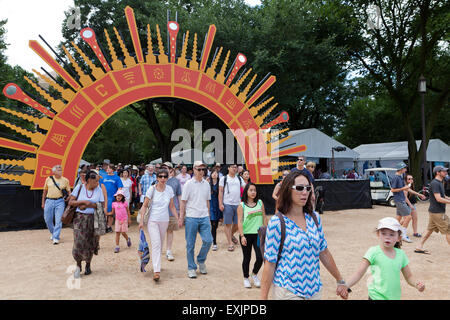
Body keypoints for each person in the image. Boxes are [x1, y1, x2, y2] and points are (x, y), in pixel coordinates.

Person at [260, 170, 348, 300]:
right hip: (288, 290)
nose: (305, 192)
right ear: (288, 190)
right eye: (300, 188)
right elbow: (270, 264)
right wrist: (263, 298)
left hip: (314, 291)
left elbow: (323, 252)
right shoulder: (277, 222)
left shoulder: (315, 218)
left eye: (307, 188)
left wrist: (340, 280)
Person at [346, 217, 425, 300]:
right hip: (376, 297)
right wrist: (346, 285)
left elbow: (409, 277)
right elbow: (358, 273)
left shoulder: (401, 254)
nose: (387, 237)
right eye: (384, 233)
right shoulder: (373, 252)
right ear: (378, 234)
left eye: (392, 234)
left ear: (399, 238)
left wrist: (417, 284)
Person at [139, 168, 178, 281]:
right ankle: (157, 271)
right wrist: (141, 220)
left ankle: (157, 264)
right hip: (153, 220)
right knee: (156, 244)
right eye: (160, 176)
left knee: (160, 244)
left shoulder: (169, 190)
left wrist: (178, 218)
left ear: (167, 178)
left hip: (164, 220)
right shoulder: (152, 189)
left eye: (165, 177)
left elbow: (172, 206)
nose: (162, 179)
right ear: (157, 178)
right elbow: (145, 205)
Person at [178, 160, 213, 279]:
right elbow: (183, 201)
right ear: (194, 169)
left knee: (208, 240)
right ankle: (191, 267)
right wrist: (181, 217)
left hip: (204, 216)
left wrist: (208, 216)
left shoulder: (207, 184)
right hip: (191, 216)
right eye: (199, 169)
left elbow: (207, 201)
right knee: (190, 244)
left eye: (203, 169)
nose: (201, 171)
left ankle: (201, 260)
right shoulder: (188, 184)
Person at [68, 170, 105, 279]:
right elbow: (71, 202)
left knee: (91, 242)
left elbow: (101, 204)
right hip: (80, 219)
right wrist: (83, 202)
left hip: (94, 219)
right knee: (79, 241)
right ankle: (78, 266)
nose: (97, 183)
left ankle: (88, 264)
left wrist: (89, 205)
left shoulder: (99, 190)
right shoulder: (79, 188)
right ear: (89, 180)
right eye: (95, 181)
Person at [237, 183, 267, 289]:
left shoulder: (260, 203)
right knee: (247, 257)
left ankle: (254, 274)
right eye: (251, 190)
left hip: (258, 234)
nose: (253, 192)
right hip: (246, 234)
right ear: (246, 192)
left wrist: (266, 231)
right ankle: (246, 278)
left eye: (254, 190)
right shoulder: (242, 205)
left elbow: (264, 217)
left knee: (260, 257)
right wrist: (242, 236)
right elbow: (239, 222)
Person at [415, 166, 450, 254]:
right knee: (449, 230)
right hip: (437, 212)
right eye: (444, 171)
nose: (446, 172)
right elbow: (438, 199)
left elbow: (443, 196)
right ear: (438, 172)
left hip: (434, 212)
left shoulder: (440, 182)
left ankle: (419, 247)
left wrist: (449, 199)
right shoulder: (435, 183)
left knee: (429, 230)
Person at [219, 163, 246, 252]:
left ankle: (230, 235)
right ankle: (230, 243)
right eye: (233, 167)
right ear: (228, 168)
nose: (235, 169)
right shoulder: (224, 178)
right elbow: (220, 192)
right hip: (227, 204)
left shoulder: (239, 178)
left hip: (238, 204)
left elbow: (245, 188)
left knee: (238, 224)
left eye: (236, 167)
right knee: (228, 224)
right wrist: (220, 204)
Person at [41, 165, 71, 245]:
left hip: (60, 201)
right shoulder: (48, 179)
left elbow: (69, 191)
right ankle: (53, 232)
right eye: (58, 170)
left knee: (58, 220)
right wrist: (43, 202)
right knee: (47, 219)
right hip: (49, 201)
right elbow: (44, 192)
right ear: (53, 171)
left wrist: (68, 198)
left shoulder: (65, 180)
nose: (60, 171)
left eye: (61, 170)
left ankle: (56, 237)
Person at [390, 162, 413, 243]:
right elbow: (392, 190)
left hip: (400, 199)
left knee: (398, 218)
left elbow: (404, 188)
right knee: (408, 217)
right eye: (405, 168)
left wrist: (417, 194)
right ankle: (403, 235)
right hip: (399, 200)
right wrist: (403, 188)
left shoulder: (400, 177)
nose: (406, 169)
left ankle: (392, 233)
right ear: (401, 169)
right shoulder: (396, 178)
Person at [163, 162, 182, 261]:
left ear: (171, 169)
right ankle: (159, 249)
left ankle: (168, 250)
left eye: (166, 167)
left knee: (170, 230)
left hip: (172, 210)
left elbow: (179, 195)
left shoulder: (176, 181)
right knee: (160, 231)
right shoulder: (158, 180)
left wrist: (180, 210)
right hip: (160, 210)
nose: (164, 169)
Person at [102, 164, 123, 233]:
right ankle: (103, 226)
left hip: (112, 198)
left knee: (110, 213)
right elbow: (99, 186)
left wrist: (118, 196)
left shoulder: (116, 178)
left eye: (109, 168)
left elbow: (120, 187)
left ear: (113, 170)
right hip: (103, 197)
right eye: (107, 168)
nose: (107, 169)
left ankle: (109, 226)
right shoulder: (103, 177)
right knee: (103, 212)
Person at [209, 168, 222, 251]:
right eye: (213, 173)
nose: (214, 174)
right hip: (210, 206)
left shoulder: (220, 184)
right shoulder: (208, 184)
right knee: (213, 224)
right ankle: (214, 243)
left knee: (216, 225)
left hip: (218, 205)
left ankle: (212, 237)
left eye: (216, 173)